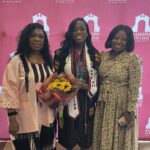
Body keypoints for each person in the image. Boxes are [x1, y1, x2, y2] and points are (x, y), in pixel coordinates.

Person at [0, 23, 56, 150]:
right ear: (26, 38)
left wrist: (56, 100)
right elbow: (9, 91)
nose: (37, 39)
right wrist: (12, 118)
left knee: (46, 146)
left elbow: (53, 86)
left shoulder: (48, 61)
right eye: (33, 36)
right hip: (24, 117)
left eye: (41, 37)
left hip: (47, 116)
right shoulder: (17, 61)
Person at [92, 25, 142, 150]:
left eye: (123, 39)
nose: (118, 41)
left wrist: (130, 111)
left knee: (121, 139)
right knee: (103, 136)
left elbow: (134, 88)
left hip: (122, 106)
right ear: (111, 38)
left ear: (128, 42)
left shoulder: (133, 60)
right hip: (104, 104)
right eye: (116, 37)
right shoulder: (103, 56)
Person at [54, 17, 100, 150]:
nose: (78, 32)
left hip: (88, 99)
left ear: (87, 33)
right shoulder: (61, 54)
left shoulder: (94, 54)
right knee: (69, 136)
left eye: (82, 29)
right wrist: (68, 84)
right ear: (70, 33)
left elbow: (99, 80)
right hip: (67, 100)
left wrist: (86, 87)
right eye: (75, 30)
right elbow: (55, 77)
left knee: (86, 136)